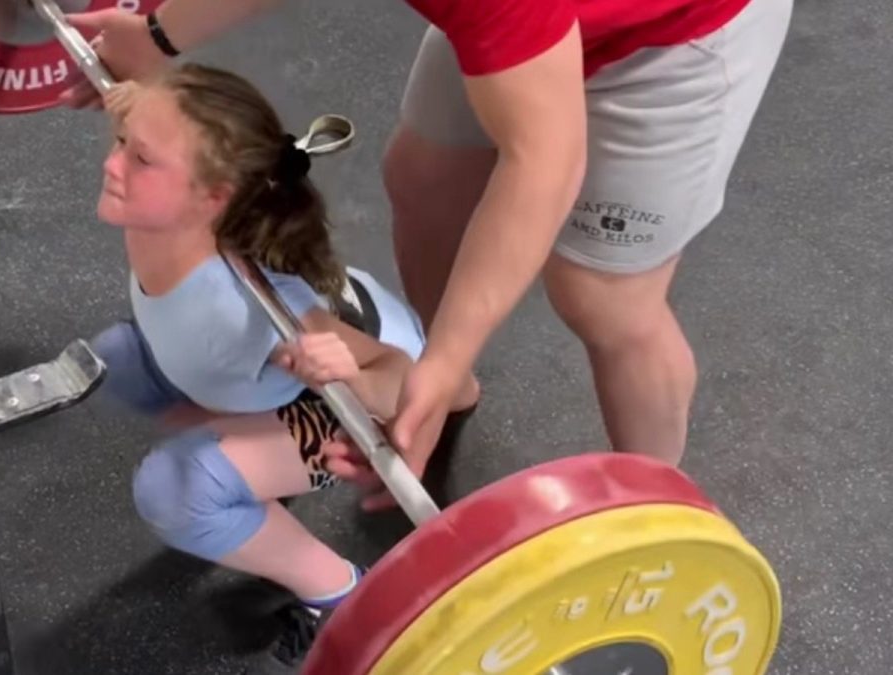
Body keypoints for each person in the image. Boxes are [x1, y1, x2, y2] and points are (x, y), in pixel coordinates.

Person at [62, 0, 794, 502]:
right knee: (424, 179)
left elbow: (545, 157)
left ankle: (656, 505)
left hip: (679, 30)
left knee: (601, 294)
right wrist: (154, 36)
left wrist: (439, 357)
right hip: (532, 21)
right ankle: (449, 390)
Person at [86, 63, 475, 673]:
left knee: (175, 490)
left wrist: (350, 366)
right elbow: (146, 120)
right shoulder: (185, 205)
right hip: (270, 367)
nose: (114, 165)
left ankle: (343, 596)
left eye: (140, 158)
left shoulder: (255, 311)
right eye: (122, 144)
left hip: (359, 398)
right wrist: (133, 104)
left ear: (213, 197)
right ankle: (245, 455)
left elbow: (397, 379)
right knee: (121, 357)